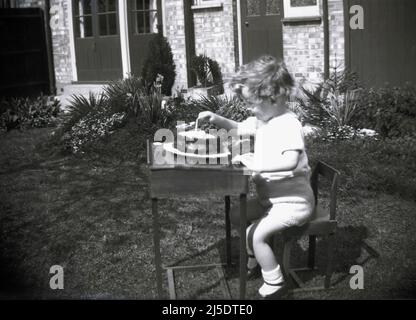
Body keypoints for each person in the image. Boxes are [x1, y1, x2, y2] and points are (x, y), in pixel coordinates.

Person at [197, 55, 315, 299]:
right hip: (271, 200)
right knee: (237, 215)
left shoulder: (287, 124)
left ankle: (275, 282)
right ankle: (254, 256)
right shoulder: (264, 120)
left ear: (272, 97)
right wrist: (216, 118)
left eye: (252, 103)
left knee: (255, 233)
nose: (248, 108)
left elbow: (291, 160)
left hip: (293, 204)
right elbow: (239, 127)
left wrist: (258, 165)